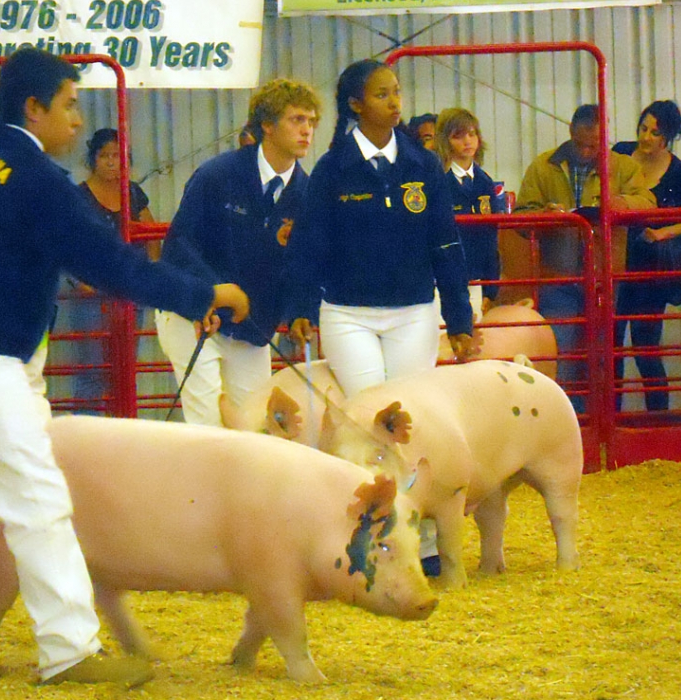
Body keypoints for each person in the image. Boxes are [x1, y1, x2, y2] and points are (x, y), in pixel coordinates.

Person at [0, 47, 248, 686]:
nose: (80, 122)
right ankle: (69, 650)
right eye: (71, 105)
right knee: (39, 499)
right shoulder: (34, 179)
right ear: (34, 107)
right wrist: (202, 296)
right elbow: (109, 265)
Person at [284, 59, 475, 400]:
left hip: (414, 311)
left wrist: (459, 320)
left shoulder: (424, 164)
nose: (394, 103)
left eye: (397, 93)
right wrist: (301, 308)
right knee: (370, 409)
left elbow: (445, 245)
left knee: (409, 409)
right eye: (382, 95)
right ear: (356, 105)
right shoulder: (331, 169)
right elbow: (310, 245)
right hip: (348, 314)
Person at [157, 78, 321, 425]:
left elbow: (304, 265)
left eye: (311, 121)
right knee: (209, 424)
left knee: (253, 428)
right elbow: (179, 245)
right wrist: (211, 294)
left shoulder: (308, 193)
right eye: (296, 120)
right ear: (267, 125)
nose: (307, 130)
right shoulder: (217, 175)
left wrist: (300, 311)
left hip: (253, 327)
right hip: (194, 315)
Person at [515, 103, 655, 412]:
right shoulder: (543, 167)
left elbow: (647, 203)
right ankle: (567, 422)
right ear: (571, 132)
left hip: (604, 274)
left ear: (604, 137)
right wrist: (545, 217)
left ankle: (600, 422)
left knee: (601, 355)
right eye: (581, 144)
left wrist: (619, 203)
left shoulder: (624, 167)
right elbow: (521, 216)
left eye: (595, 144)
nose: (588, 151)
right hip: (559, 275)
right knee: (560, 354)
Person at [612, 101, 681, 412]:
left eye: (655, 133)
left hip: (652, 269)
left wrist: (661, 233)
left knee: (646, 348)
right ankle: (614, 422)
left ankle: (658, 422)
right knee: (612, 350)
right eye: (643, 129)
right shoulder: (619, 154)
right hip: (616, 263)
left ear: (670, 137)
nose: (646, 137)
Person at [67, 128, 158, 412]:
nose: (111, 161)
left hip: (130, 294)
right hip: (92, 297)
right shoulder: (78, 196)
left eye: (118, 155)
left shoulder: (133, 193)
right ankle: (88, 437)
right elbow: (64, 243)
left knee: (125, 369)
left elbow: (151, 235)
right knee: (92, 371)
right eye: (104, 155)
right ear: (92, 159)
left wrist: (150, 274)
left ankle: (122, 434)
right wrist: (83, 282)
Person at [435, 107, 507, 316]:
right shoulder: (437, 181)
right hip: (442, 278)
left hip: (476, 278)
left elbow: (491, 237)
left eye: (472, 134)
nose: (467, 141)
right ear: (445, 140)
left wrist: (491, 287)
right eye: (458, 136)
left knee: (473, 336)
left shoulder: (485, 182)